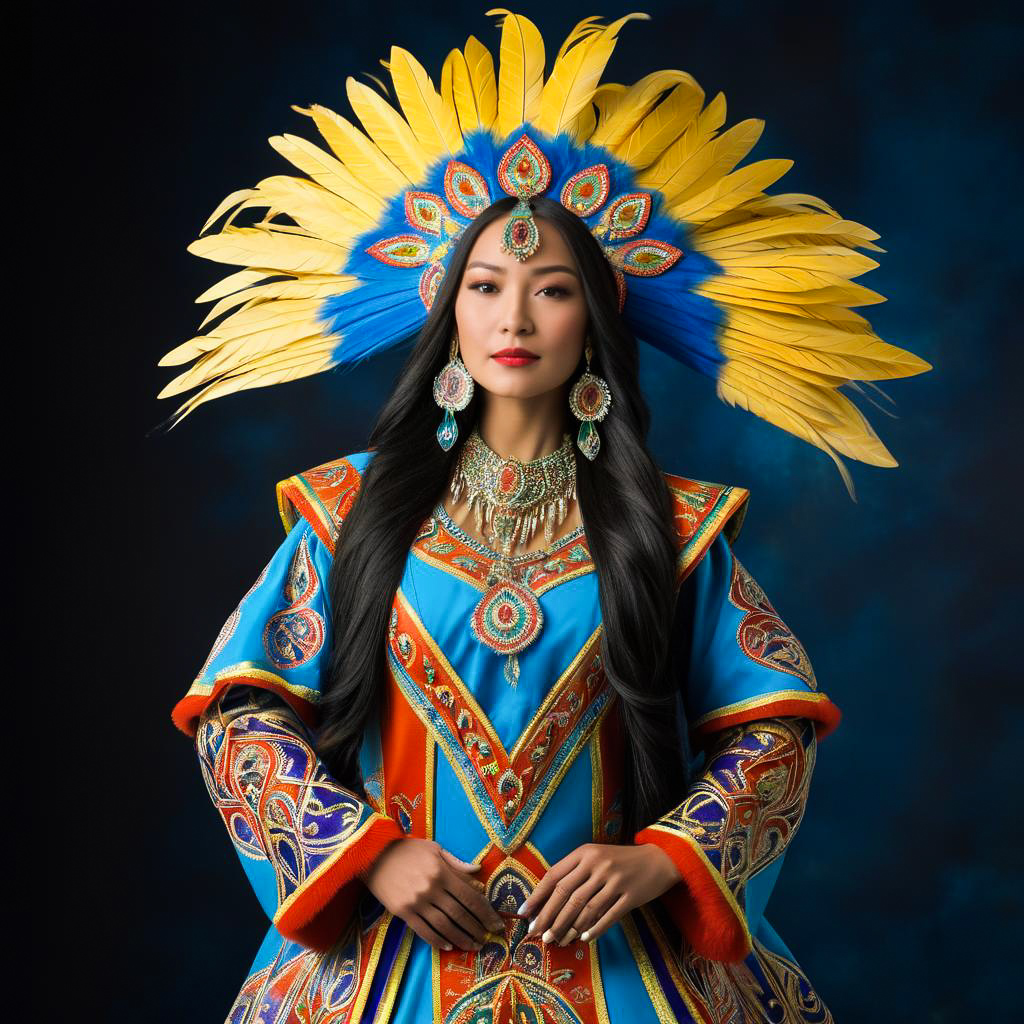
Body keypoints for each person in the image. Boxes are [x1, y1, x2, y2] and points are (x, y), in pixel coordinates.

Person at [162, 11, 930, 1021]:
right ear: (449, 312)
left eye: (551, 289)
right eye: (485, 286)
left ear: (595, 322)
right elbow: (239, 713)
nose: (513, 319)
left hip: (629, 971)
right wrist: (368, 852)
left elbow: (775, 729)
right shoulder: (345, 513)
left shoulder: (672, 527)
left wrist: (664, 857)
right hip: (387, 969)